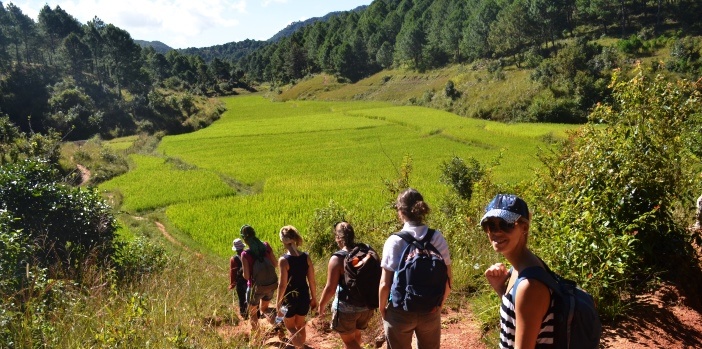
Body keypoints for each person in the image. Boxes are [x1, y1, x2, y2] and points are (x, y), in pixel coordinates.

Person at [378, 188, 452, 349]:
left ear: (400, 212)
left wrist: (382, 308)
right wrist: (439, 304)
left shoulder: (394, 241)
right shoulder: (437, 237)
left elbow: (385, 284)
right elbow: (448, 278)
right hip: (430, 309)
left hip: (399, 311)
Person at [481, 194, 555, 349]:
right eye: (490, 225)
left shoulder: (529, 285)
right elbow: (518, 315)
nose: (497, 232)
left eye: (506, 224)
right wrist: (501, 289)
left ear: (524, 227)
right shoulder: (520, 268)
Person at [318, 221, 376, 349]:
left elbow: (330, 288)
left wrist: (321, 305)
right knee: (356, 335)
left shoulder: (337, 258)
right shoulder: (366, 250)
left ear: (338, 238)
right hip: (367, 306)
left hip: (346, 308)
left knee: (349, 342)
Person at [275, 225, 317, 349]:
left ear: (283, 241)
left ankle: (300, 347)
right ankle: (301, 344)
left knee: (290, 327)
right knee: (300, 325)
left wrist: (278, 302)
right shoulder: (306, 257)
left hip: (289, 299)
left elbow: (282, 285)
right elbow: (312, 281)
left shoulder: (284, 260)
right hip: (304, 296)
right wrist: (314, 298)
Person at [240, 224, 278, 330]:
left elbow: (247, 276)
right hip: (271, 284)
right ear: (254, 233)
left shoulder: (245, 254)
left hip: (255, 288)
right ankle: (277, 325)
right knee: (265, 309)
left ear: (244, 238)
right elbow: (275, 264)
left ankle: (256, 339)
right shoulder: (266, 246)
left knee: (253, 315)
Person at [229, 238, 248, 319]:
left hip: (240, 282)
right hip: (249, 280)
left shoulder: (233, 259)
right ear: (243, 247)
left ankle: (244, 315)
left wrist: (232, 284)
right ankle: (256, 313)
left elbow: (232, 273)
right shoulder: (248, 254)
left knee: (242, 298)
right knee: (252, 297)